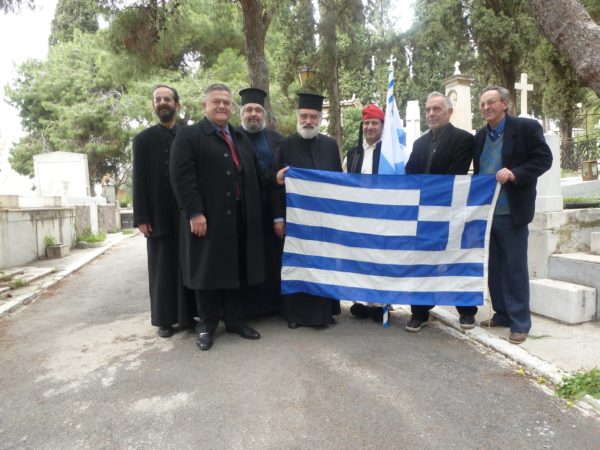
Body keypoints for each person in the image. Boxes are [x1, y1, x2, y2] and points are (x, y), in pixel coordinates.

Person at [169, 83, 266, 351]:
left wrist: (277, 178)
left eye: (226, 102)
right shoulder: (189, 136)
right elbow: (181, 178)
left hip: (238, 216)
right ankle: (206, 325)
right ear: (205, 106)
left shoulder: (239, 136)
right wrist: (194, 212)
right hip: (207, 218)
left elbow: (256, 172)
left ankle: (235, 321)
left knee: (236, 270)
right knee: (206, 273)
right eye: (216, 102)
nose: (222, 106)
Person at [474, 85, 552, 344]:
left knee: (515, 268)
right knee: (494, 267)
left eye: (491, 102)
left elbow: (543, 160)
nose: (486, 107)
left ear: (505, 104)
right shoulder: (480, 136)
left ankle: (520, 322)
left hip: (512, 211)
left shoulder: (525, 128)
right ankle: (502, 314)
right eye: (483, 104)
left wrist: (515, 173)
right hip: (488, 213)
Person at [404, 91, 476, 333]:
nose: (431, 114)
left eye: (436, 109)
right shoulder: (419, 144)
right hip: (424, 214)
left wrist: (427, 187)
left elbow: (456, 174)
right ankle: (420, 312)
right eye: (428, 109)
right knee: (422, 263)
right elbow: (410, 174)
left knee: (455, 260)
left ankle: (466, 311)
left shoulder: (464, 140)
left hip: (452, 211)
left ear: (449, 112)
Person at [272, 92, 342, 329]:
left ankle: (325, 313)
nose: (308, 121)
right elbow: (276, 185)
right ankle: (296, 315)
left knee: (323, 264)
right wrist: (278, 218)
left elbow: (339, 184)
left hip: (324, 220)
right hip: (295, 221)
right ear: (298, 117)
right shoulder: (285, 145)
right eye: (304, 116)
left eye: (313, 117)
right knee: (298, 265)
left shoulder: (331, 146)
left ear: (320, 119)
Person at [132, 84, 196, 338]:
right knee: (162, 268)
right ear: (154, 106)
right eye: (157, 99)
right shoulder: (143, 140)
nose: (162, 103)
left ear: (176, 105)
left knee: (188, 264)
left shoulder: (189, 136)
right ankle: (164, 319)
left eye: (167, 99)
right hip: (157, 215)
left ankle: (190, 316)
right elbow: (139, 180)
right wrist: (141, 217)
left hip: (185, 213)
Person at [238, 87, 284, 318]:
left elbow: (281, 177)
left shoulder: (277, 139)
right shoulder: (233, 137)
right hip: (244, 210)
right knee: (248, 259)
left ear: (264, 114)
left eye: (257, 110)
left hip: (272, 207)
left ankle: (274, 305)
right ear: (241, 113)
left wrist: (279, 215)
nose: (253, 114)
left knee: (273, 257)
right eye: (249, 110)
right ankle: (249, 309)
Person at [344, 104, 387, 322]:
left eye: (374, 123)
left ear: (382, 125)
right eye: (367, 123)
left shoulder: (390, 153)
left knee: (379, 258)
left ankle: (380, 304)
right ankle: (360, 301)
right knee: (359, 257)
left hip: (382, 215)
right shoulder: (352, 154)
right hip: (358, 216)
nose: (370, 127)